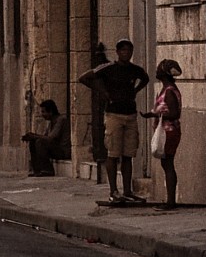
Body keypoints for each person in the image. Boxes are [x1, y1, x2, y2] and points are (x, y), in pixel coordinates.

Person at [77, 39, 151, 203]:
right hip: (113, 115)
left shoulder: (135, 70)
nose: (126, 53)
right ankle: (113, 191)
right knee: (113, 153)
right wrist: (103, 92)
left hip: (130, 114)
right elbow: (84, 77)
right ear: (118, 52)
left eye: (129, 50)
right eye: (123, 50)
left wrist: (135, 91)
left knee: (128, 154)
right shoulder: (108, 68)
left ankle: (127, 191)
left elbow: (145, 78)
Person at [150, 60, 184, 209]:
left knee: (168, 164)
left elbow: (175, 113)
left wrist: (157, 115)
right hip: (167, 130)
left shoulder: (169, 90)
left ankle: (171, 201)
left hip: (169, 131)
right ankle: (170, 199)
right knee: (167, 163)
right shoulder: (167, 89)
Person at [21, 101, 67, 176]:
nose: (42, 115)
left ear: (51, 112)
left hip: (63, 151)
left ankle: (47, 170)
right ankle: (37, 170)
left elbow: (50, 138)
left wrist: (34, 136)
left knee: (40, 142)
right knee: (34, 141)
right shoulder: (51, 122)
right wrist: (33, 137)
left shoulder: (61, 120)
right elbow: (45, 137)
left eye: (43, 112)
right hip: (56, 149)